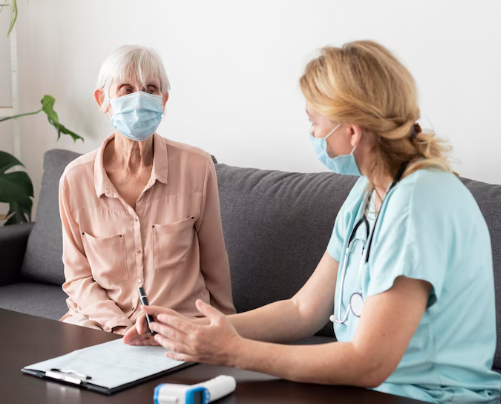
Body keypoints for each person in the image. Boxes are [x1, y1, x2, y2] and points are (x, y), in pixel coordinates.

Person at [125, 41, 501, 403]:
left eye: (315, 122)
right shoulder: (369, 192)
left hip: (429, 397)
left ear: (352, 132)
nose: (313, 135)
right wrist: (189, 331)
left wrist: (235, 352)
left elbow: (369, 362)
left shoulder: (421, 203)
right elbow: (303, 310)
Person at [59, 45, 235, 335]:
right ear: (103, 100)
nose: (139, 99)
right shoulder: (75, 179)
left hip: (178, 324)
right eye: (126, 90)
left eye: (150, 89)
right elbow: (77, 277)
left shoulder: (197, 167)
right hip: (99, 324)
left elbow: (215, 261)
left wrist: (228, 329)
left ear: (163, 101)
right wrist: (117, 326)